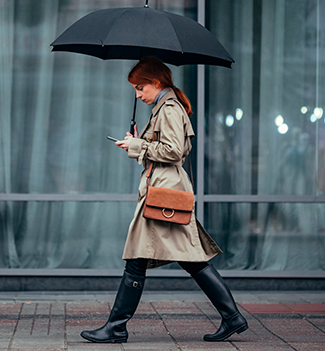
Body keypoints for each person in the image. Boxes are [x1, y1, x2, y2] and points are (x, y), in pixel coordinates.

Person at [80, 57, 248, 343]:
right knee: (188, 259)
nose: (138, 94)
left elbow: (173, 152)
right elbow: (163, 149)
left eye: (140, 87)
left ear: (156, 82)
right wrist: (136, 143)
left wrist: (137, 145)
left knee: (139, 258)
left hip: (164, 194)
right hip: (165, 191)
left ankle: (116, 327)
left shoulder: (168, 108)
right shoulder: (164, 107)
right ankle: (232, 317)